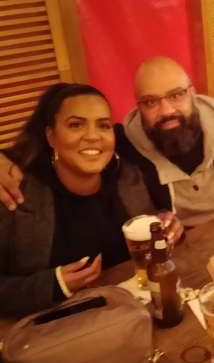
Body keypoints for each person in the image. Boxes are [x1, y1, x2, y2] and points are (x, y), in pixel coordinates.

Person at [0, 57, 214, 242]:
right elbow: (61, 151)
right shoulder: (123, 142)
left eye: (176, 95)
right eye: (151, 102)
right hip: (182, 256)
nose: (166, 111)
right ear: (138, 107)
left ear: (193, 94)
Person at [0, 83, 183, 318]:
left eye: (103, 125)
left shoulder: (127, 178)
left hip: (133, 314)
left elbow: (147, 239)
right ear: (51, 136)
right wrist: (55, 284)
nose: (93, 136)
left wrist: (166, 226)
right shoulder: (15, 191)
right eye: (76, 125)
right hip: (55, 326)